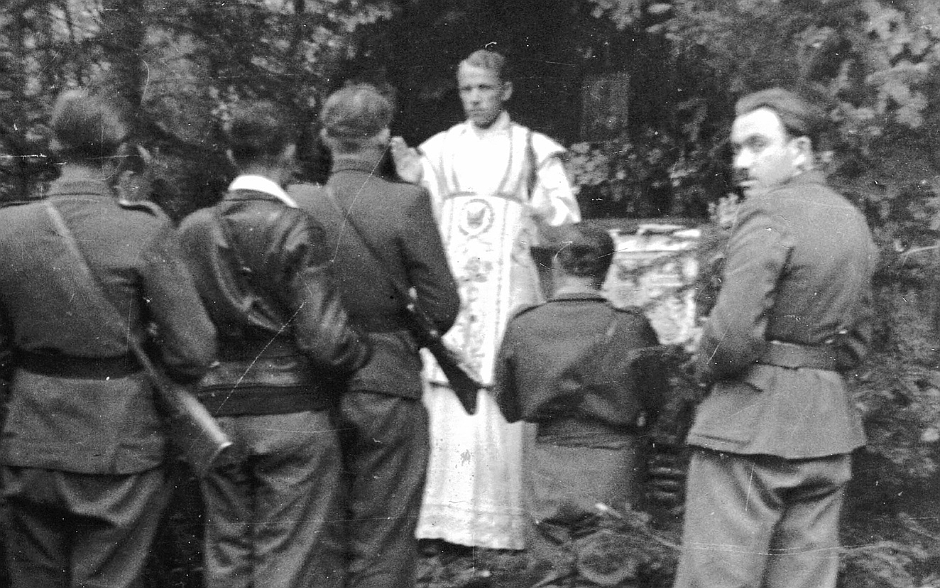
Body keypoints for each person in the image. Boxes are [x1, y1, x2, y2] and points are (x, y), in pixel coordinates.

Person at [0, 89, 217, 588]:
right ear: (118, 157)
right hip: (117, 444)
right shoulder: (143, 230)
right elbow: (195, 350)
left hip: (29, 438)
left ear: (55, 148)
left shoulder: (8, 227)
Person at [673, 87, 877, 588]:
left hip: (748, 427)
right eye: (737, 149)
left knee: (716, 579)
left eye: (758, 145)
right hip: (826, 428)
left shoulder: (767, 213)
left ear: (801, 151)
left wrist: (702, 368)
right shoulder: (851, 221)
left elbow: (733, 336)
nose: (742, 162)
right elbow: (855, 343)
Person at [391, 48, 581, 550]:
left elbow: (566, 224)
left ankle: (500, 530)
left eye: (484, 89)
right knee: (447, 395)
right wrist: (412, 187)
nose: (474, 99)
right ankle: (441, 528)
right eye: (466, 90)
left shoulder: (535, 149)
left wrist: (541, 203)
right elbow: (415, 222)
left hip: (507, 295)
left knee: (502, 392)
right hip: (453, 298)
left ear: (505, 91)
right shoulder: (437, 150)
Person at [177, 101, 372, 588]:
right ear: (289, 154)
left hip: (217, 414)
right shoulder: (295, 225)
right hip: (292, 412)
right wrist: (362, 351)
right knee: (287, 564)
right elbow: (328, 343)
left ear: (230, 155)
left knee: (226, 556)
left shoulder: (194, 228)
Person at [289, 83, 460, 588]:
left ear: (325, 138)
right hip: (387, 381)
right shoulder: (407, 202)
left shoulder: (298, 203)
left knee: (321, 534)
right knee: (383, 538)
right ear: (384, 135)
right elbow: (442, 307)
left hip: (313, 385)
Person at [494, 222, 666, 585]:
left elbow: (508, 407)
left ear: (555, 264)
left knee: (548, 573)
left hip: (549, 465)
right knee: (610, 572)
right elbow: (656, 401)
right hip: (614, 465)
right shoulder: (631, 326)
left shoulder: (525, 324)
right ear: (607, 269)